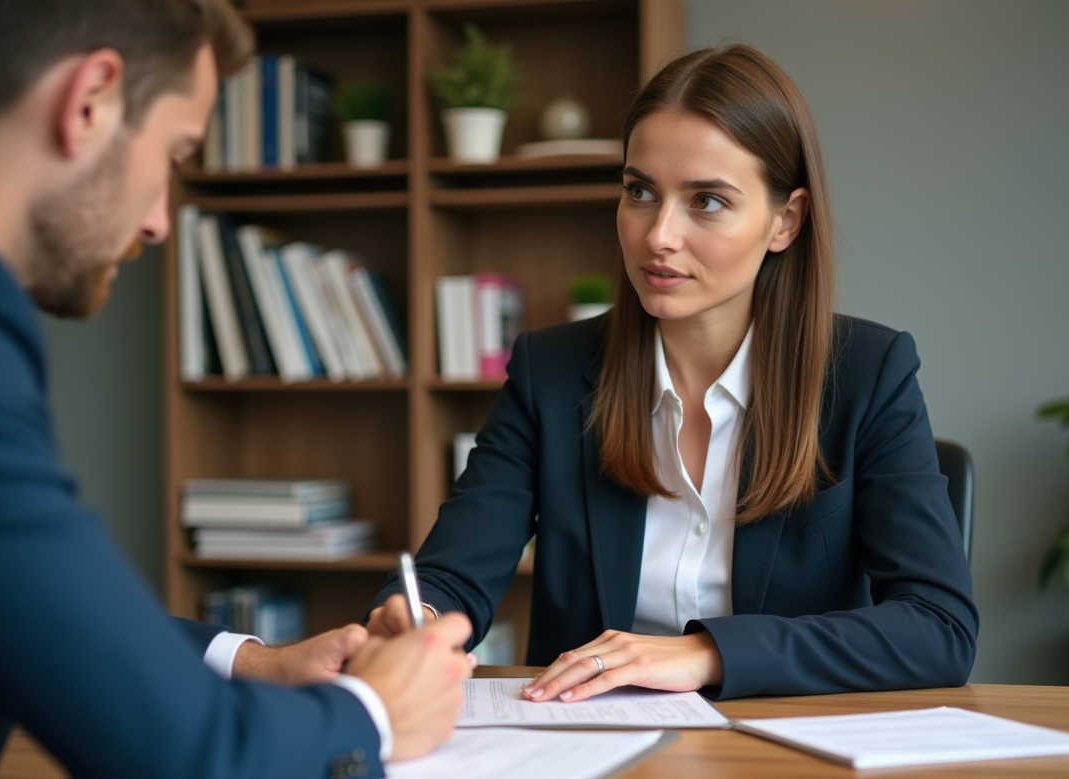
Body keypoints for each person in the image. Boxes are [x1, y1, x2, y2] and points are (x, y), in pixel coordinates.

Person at [0, 2, 472, 779]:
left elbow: (25, 602)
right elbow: (185, 765)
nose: (157, 224)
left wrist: (254, 663)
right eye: (175, 154)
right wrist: (375, 714)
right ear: (90, 102)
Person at [369, 44, 978, 702]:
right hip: (583, 737)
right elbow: (454, 574)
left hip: (777, 739)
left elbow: (938, 626)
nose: (658, 235)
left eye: (707, 201)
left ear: (785, 221)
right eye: (640, 192)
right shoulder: (551, 371)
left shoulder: (867, 373)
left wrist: (705, 653)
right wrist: (416, 617)